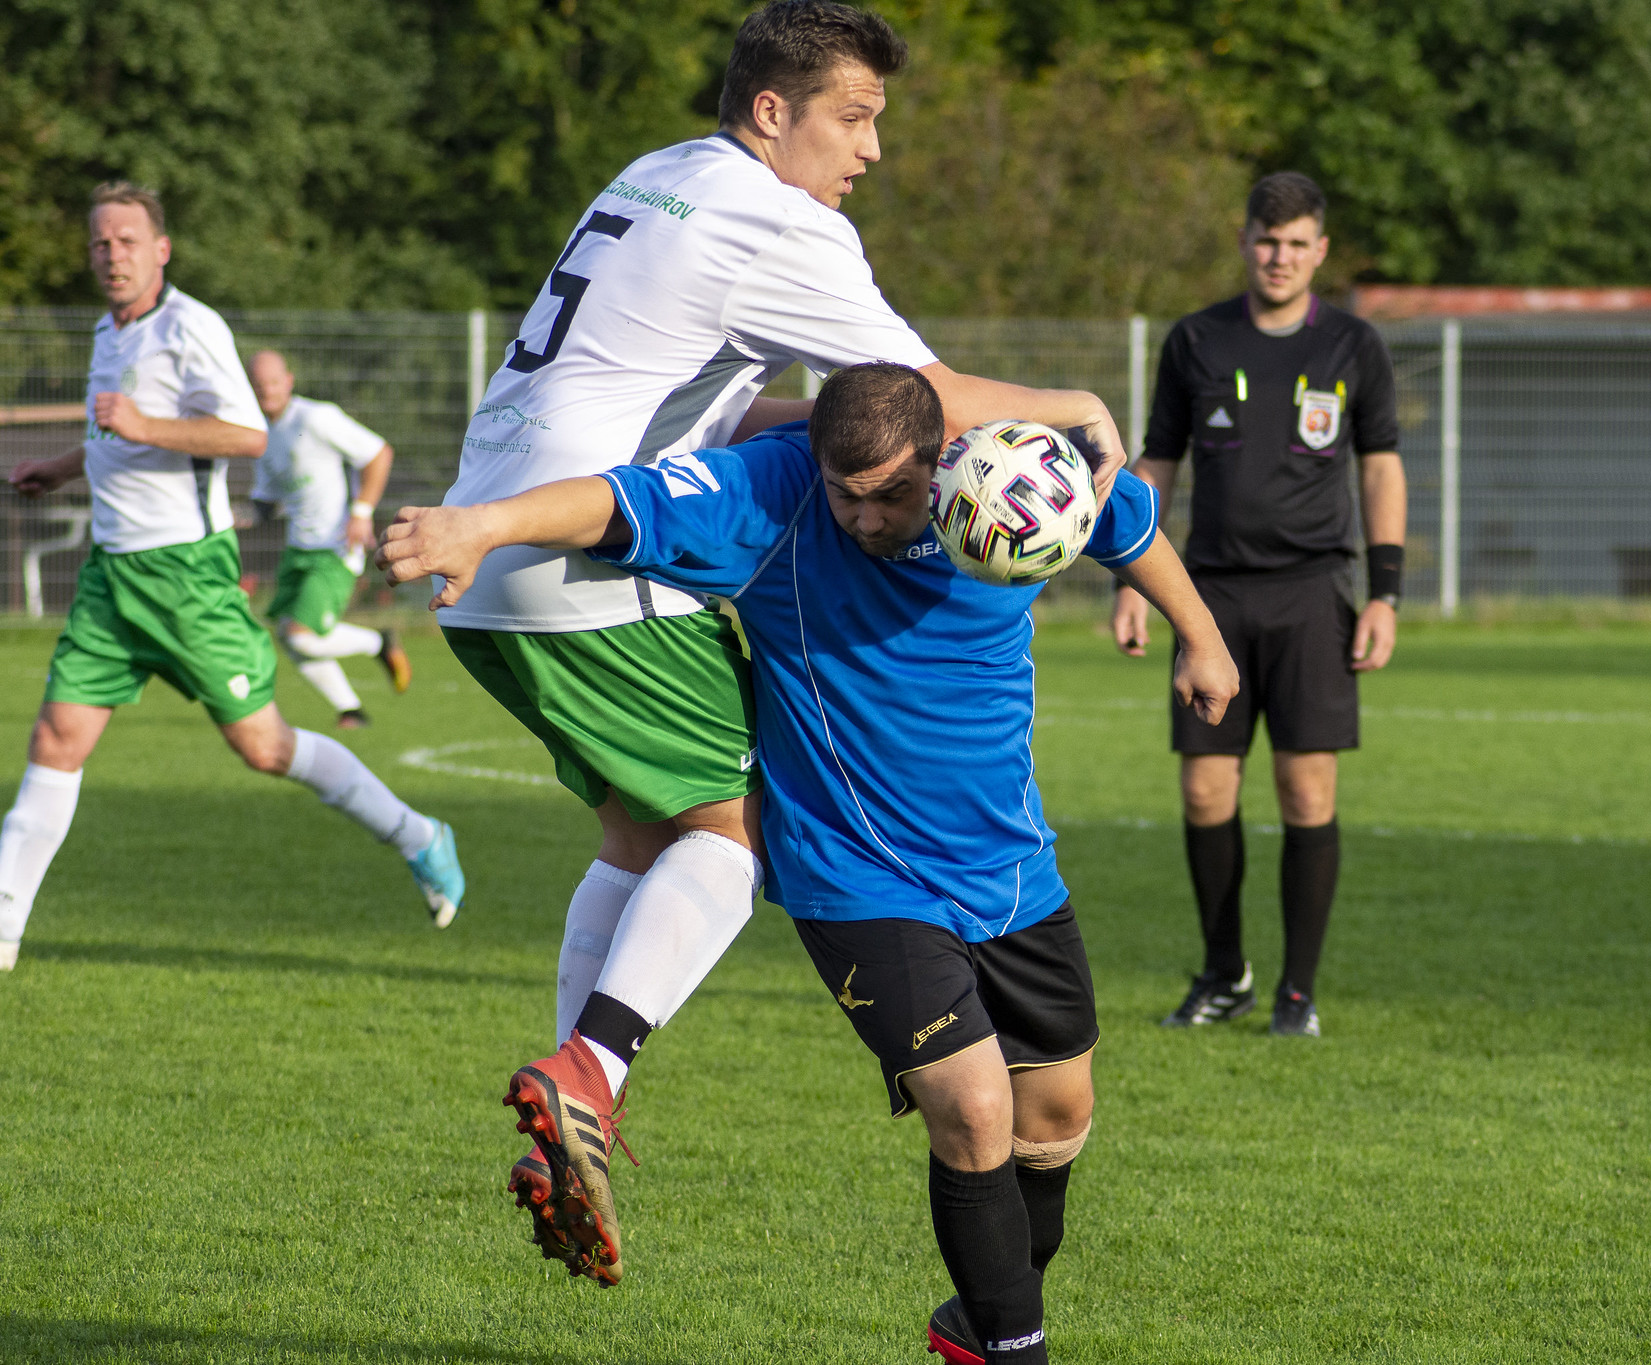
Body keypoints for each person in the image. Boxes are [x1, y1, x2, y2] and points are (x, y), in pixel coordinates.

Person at [430, 0, 1128, 1280]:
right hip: (596, 545)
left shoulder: (656, 179)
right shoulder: (779, 218)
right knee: (744, 826)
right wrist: (1069, 401)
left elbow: (767, 400)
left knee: (641, 836)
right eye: (851, 118)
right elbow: (920, 404)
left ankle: (573, 1123)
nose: (866, 151)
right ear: (771, 111)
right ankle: (588, 1072)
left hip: (500, 556)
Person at [381, 362, 1237, 1363]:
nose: (867, 517)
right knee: (971, 1109)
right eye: (847, 494)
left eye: (891, 494)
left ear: (938, 456)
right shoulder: (774, 495)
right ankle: (1014, 1350)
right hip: (855, 877)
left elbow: (1123, 516)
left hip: (1008, 870)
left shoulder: (1006, 472)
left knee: (1053, 1125)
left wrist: (1201, 636)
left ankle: (980, 1323)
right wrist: (482, 524)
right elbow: (615, 506)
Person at [0, 181, 466, 973]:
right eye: (99, 243)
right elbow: (115, 435)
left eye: (126, 241)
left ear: (161, 249)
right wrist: (64, 465)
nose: (111, 255)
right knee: (56, 739)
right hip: (113, 579)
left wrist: (142, 424)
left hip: (189, 578)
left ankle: (417, 833)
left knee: (263, 746)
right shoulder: (106, 332)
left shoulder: (190, 325)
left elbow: (247, 433)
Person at [1111, 171, 1406, 1038]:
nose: (1279, 257)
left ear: (1320, 250)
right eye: (1266, 241)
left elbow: (1380, 466)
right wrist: (1135, 580)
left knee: (1305, 790)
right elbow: (1157, 461)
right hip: (1211, 596)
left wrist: (1384, 592)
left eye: (1297, 243)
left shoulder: (1354, 344)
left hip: (1315, 592)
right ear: (1245, 242)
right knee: (1206, 792)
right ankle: (1222, 972)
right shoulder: (1196, 339)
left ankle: (1298, 993)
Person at [246, 349, 412, 729]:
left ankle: (380, 643)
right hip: (298, 548)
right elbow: (265, 503)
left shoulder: (316, 417)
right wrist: (230, 516)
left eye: (273, 382)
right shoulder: (262, 433)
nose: (267, 391)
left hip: (335, 547)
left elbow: (378, 453)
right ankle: (351, 710)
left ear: (288, 380)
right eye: (259, 385)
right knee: (289, 636)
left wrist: (361, 513)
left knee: (302, 635)